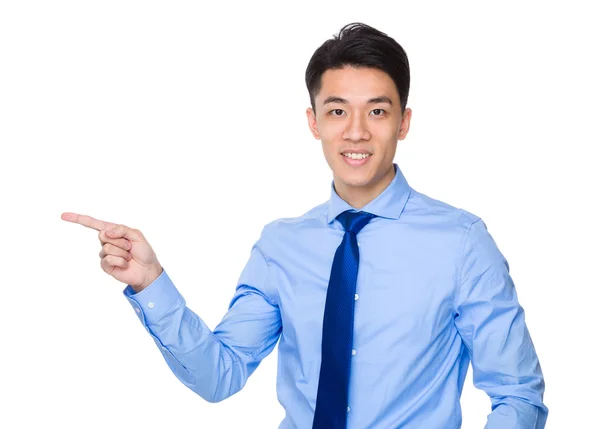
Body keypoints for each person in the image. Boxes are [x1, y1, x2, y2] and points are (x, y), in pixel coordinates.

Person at [61, 22, 547, 429]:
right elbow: (219, 376)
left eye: (377, 111)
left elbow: (518, 394)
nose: (356, 131)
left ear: (403, 122)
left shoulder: (460, 242)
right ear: (314, 122)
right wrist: (152, 284)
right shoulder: (281, 245)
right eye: (337, 111)